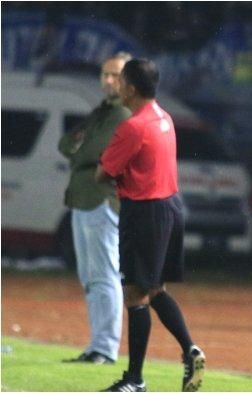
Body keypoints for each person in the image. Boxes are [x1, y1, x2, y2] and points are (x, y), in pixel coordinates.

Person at [96, 58, 205, 392]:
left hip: (143, 211)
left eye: (120, 81)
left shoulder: (133, 126)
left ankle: (135, 380)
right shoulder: (164, 118)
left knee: (135, 293)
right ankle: (190, 350)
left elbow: (103, 173)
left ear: (130, 87)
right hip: (170, 207)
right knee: (155, 289)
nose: (115, 86)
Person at [59, 52, 132, 365]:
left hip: (103, 199)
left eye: (115, 75)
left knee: (104, 274)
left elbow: (90, 149)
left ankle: (105, 347)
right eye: (105, 75)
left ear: (130, 79)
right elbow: (65, 143)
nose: (108, 81)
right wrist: (82, 149)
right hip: (83, 197)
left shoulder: (122, 114)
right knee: (90, 275)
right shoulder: (104, 111)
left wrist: (82, 148)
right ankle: (97, 345)